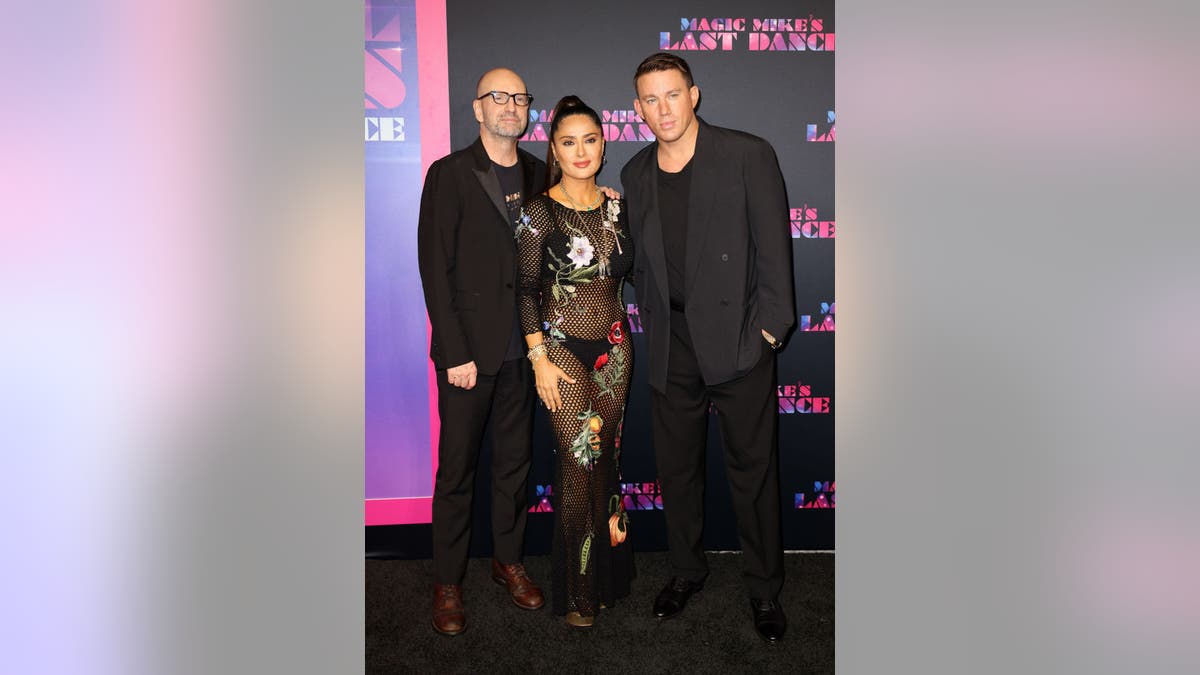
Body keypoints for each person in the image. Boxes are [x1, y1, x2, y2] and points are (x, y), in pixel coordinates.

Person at [619, 52, 795, 643]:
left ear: (694, 95)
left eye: (672, 94)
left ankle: (764, 589)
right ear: (638, 106)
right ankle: (687, 571)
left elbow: (774, 249)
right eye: (650, 98)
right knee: (677, 472)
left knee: (753, 472)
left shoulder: (748, 154)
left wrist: (769, 329)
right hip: (673, 343)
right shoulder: (635, 172)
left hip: (740, 340)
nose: (662, 109)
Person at [417, 67, 547, 636]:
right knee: (457, 472)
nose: (510, 105)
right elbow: (434, 269)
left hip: (526, 350)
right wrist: (453, 351)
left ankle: (508, 560)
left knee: (514, 468)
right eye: (498, 96)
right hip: (468, 356)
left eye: (519, 98)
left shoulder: (544, 173)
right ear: (477, 109)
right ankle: (448, 581)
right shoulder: (449, 174)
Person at [516, 95, 636, 628]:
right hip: (559, 351)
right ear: (555, 151)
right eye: (569, 142)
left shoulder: (617, 207)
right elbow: (522, 291)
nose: (580, 150)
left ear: (603, 144)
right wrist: (538, 358)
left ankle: (608, 579)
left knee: (605, 459)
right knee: (577, 461)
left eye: (590, 139)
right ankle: (578, 593)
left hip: (614, 348)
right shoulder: (537, 212)